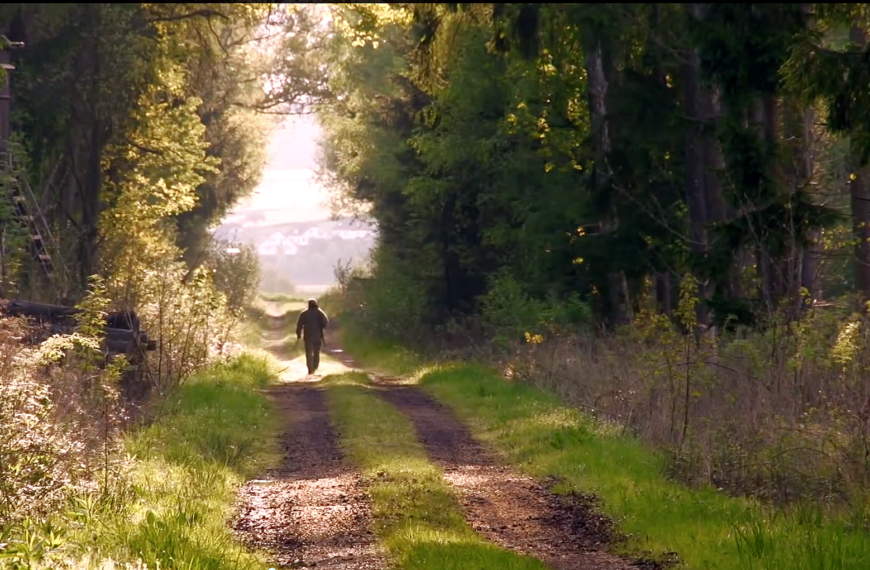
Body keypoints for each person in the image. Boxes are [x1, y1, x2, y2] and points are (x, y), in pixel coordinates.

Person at [296, 298, 329, 375]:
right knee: (316, 353)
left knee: (309, 353)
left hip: (308, 336)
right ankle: (315, 367)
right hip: (318, 336)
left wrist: (299, 334)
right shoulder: (320, 313)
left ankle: (310, 369)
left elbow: (299, 325)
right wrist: (321, 327)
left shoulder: (304, 313)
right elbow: (325, 322)